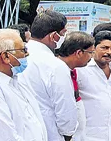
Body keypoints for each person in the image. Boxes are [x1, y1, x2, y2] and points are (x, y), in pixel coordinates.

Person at [0, 28, 47, 140]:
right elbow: (4, 136)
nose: (27, 53)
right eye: (23, 50)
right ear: (6, 56)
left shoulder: (14, 78)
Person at [22, 10, 78, 141]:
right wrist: (68, 133)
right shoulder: (55, 65)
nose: (65, 37)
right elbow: (65, 108)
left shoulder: (16, 56)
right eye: (63, 33)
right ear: (54, 36)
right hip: (49, 133)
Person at [76, 30, 111, 141]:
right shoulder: (81, 70)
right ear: (94, 48)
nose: (109, 52)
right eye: (104, 48)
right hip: (88, 136)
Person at [57, 31, 96, 141]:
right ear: (79, 53)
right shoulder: (59, 72)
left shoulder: (72, 71)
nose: (91, 57)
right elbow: (63, 109)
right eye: (90, 53)